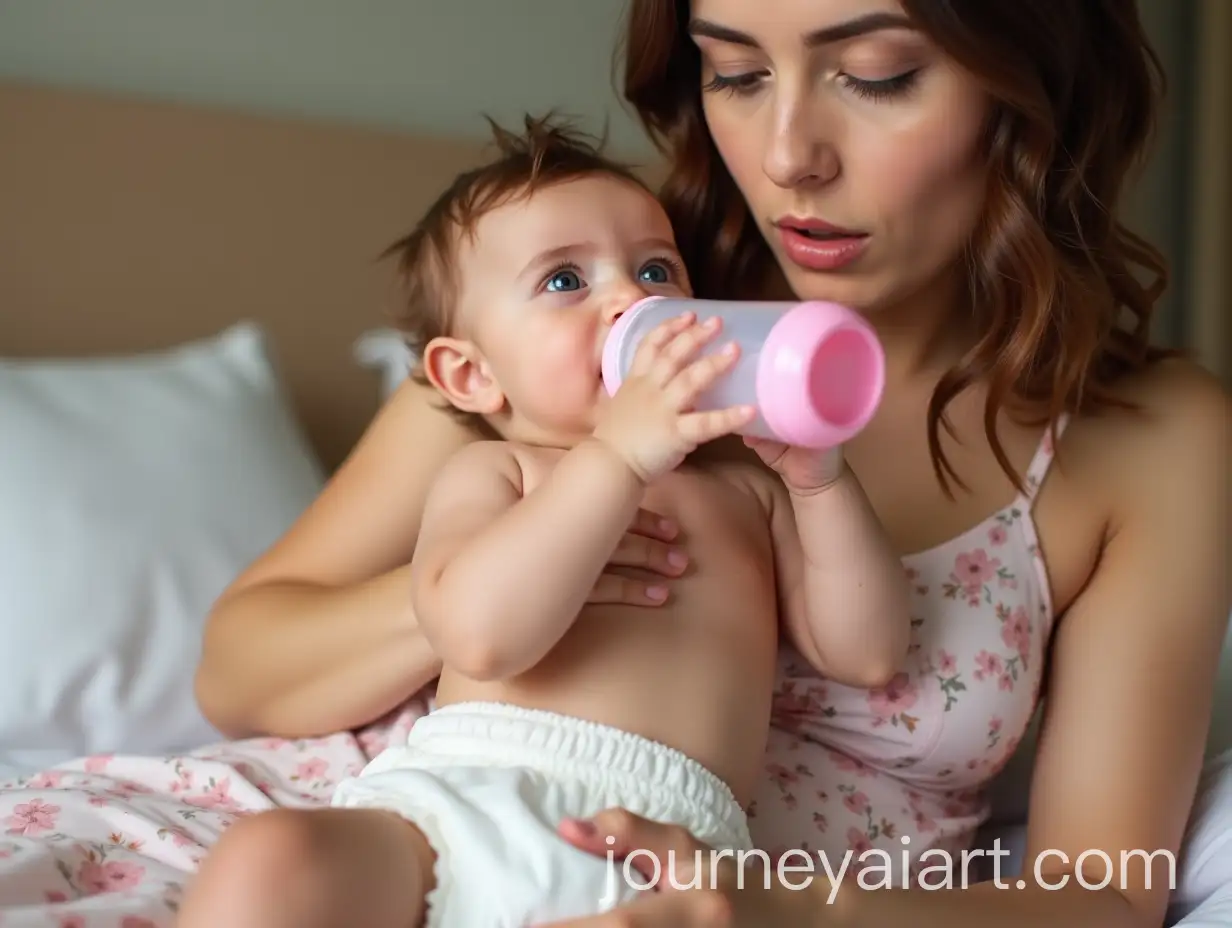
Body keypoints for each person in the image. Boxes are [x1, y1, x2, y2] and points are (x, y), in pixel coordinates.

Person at [194, 0, 1231, 925]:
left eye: (875, 72)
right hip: (430, 824)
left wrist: (795, 914)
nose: (786, 157)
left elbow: (1101, 890)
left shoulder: (1148, 438)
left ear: (1032, 88)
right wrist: (541, 546)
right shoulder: (568, 313)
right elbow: (239, 667)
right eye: (734, 72)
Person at [179, 117, 912, 927]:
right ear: (472, 375)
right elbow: (479, 637)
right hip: (464, 805)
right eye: (565, 281)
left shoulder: (748, 489)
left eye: (656, 269)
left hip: (671, 851)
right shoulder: (499, 473)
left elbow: (868, 650)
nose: (632, 300)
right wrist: (618, 461)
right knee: (271, 861)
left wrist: (821, 483)